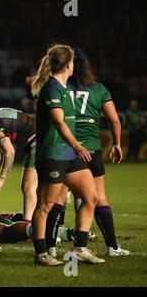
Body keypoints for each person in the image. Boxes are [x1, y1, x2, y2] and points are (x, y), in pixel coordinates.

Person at [46, 48, 130, 257]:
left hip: (67, 147)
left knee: (58, 198)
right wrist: (116, 143)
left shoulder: (62, 88)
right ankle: (112, 247)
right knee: (98, 197)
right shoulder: (99, 89)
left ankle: (51, 248)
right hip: (91, 149)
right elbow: (114, 120)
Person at [30, 44, 105, 266]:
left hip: (70, 155)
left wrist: (75, 147)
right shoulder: (51, 88)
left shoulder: (65, 88)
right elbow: (59, 122)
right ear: (68, 64)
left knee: (91, 197)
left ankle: (80, 248)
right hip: (53, 154)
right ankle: (41, 253)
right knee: (46, 205)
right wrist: (78, 145)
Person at [0, 108, 37, 221]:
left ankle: (28, 226)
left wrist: (1, 178)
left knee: (28, 186)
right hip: (36, 138)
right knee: (36, 188)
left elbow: (10, 152)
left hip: (38, 140)